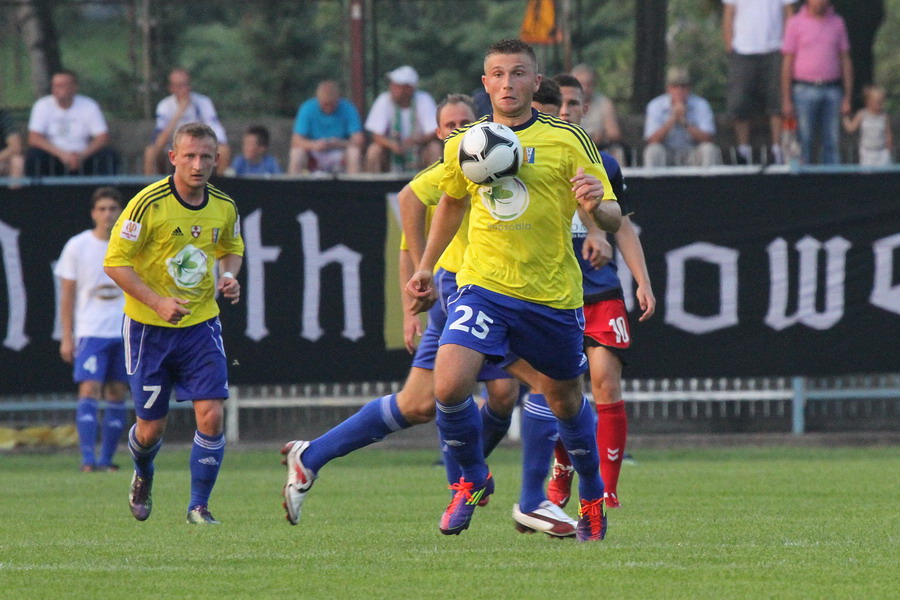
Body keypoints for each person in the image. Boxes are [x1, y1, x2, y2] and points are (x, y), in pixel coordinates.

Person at [407, 39, 619, 542]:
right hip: (485, 287)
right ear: (486, 84)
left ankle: (590, 494)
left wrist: (596, 205)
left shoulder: (569, 140)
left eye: (518, 73)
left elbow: (607, 215)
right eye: (497, 74)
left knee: (566, 402)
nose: (507, 83)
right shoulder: (468, 141)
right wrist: (425, 266)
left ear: (534, 80)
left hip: (551, 295)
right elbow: (451, 204)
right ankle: (472, 480)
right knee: (448, 384)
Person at [279, 93, 521, 528]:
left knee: (418, 404)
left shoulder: (494, 160)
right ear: (437, 131)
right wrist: (413, 302)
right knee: (496, 391)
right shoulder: (449, 169)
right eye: (449, 125)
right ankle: (469, 483)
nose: (458, 131)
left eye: (465, 122)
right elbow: (409, 224)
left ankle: (311, 456)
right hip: (460, 289)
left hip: (486, 287)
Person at [530, 75, 655, 527]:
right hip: (552, 293)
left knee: (605, 382)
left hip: (600, 291)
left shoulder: (604, 164)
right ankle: (563, 467)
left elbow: (618, 222)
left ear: (585, 111)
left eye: (573, 104)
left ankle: (608, 487)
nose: (564, 110)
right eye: (557, 103)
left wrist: (641, 280)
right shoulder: (530, 160)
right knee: (563, 394)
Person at [104, 122, 244, 525]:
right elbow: (115, 262)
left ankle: (198, 506)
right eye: (190, 156)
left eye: (205, 157)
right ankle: (143, 474)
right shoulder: (148, 203)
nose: (198, 165)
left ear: (217, 159)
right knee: (150, 431)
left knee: (212, 414)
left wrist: (230, 275)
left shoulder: (224, 206)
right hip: (149, 328)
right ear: (173, 158)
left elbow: (230, 248)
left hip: (201, 325)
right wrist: (157, 301)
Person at [55, 187, 129, 472]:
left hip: (123, 330)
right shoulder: (78, 246)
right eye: (102, 209)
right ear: (93, 213)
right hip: (91, 331)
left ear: (120, 212)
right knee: (89, 387)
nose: (107, 214)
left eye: (112, 208)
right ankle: (88, 459)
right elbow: (67, 294)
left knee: (117, 391)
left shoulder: (129, 245)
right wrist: (67, 336)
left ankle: (107, 459)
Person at [722, 0, 795, 165]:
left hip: (775, 48)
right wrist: (730, 47)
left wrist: (788, 44)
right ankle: (743, 150)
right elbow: (728, 14)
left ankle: (777, 149)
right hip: (742, 49)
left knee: (777, 101)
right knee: (739, 102)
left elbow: (789, 13)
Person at [781, 0, 853, 165]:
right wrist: (786, 99)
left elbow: (845, 59)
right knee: (803, 141)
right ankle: (802, 186)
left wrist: (847, 97)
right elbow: (787, 62)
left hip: (832, 89)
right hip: (804, 89)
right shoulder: (795, 23)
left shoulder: (837, 23)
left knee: (832, 141)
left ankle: (832, 184)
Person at [25, 70, 119, 176]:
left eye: (61, 86)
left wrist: (82, 156)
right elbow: (34, 138)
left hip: (83, 156)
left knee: (107, 155)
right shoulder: (42, 105)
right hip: (53, 155)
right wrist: (62, 155)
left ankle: (104, 191)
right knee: (34, 155)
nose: (55, 90)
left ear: (74, 88)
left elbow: (102, 137)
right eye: (54, 86)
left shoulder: (88, 105)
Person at [144, 68, 231, 176]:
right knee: (150, 153)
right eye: (180, 86)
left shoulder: (203, 102)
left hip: (200, 146)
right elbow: (158, 142)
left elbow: (217, 131)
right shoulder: (164, 106)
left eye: (187, 84)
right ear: (171, 88)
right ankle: (151, 191)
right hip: (174, 147)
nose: (185, 89)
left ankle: (220, 189)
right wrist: (179, 112)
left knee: (224, 150)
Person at [364, 65, 440, 173]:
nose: (392, 89)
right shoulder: (384, 99)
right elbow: (376, 135)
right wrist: (392, 145)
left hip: (419, 150)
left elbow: (434, 132)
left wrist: (415, 141)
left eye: (397, 86)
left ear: (409, 89)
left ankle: (434, 187)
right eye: (392, 85)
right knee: (374, 150)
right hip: (390, 152)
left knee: (435, 148)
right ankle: (373, 188)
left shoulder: (424, 99)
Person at [643, 67, 722, 168]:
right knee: (653, 150)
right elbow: (652, 140)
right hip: (667, 153)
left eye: (684, 86)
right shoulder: (655, 105)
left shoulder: (701, 104)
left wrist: (684, 122)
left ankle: (708, 183)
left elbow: (708, 138)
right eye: (675, 86)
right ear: (668, 88)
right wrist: (672, 119)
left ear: (689, 88)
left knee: (709, 149)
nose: (680, 90)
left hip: (693, 153)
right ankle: (654, 184)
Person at [288, 80, 364, 175]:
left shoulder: (349, 108)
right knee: (296, 153)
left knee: (354, 153)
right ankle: (294, 187)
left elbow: (358, 140)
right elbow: (295, 141)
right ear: (318, 99)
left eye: (331, 104)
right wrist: (314, 145)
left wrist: (339, 143)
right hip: (314, 152)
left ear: (338, 99)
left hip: (339, 152)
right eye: (325, 104)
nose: (328, 108)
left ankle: (354, 188)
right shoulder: (307, 108)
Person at [571, 63, 627, 165]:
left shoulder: (604, 103)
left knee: (617, 151)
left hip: (599, 147)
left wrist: (602, 136)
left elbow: (614, 134)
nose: (585, 88)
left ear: (595, 85)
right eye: (581, 83)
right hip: (571, 146)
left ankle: (618, 180)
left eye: (589, 84)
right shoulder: (563, 102)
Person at [843, 84, 893, 166]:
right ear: (868, 101)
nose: (880, 104)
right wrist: (845, 117)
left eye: (882, 101)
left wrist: (889, 147)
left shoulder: (884, 116)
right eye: (878, 102)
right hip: (867, 152)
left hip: (881, 151)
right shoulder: (862, 114)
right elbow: (851, 128)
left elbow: (888, 133)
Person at [0, 108, 25, 184]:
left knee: (17, 161)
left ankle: (15, 196)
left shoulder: (3, 116)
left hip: (2, 161)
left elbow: (15, 147)